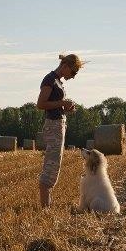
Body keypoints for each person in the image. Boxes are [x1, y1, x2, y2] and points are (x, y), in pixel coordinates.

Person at [37, 53, 86, 208]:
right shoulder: (49, 79)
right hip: (53, 126)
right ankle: (45, 207)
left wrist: (66, 107)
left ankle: (47, 205)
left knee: (55, 164)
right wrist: (62, 103)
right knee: (51, 164)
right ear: (65, 66)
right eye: (73, 73)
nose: (73, 77)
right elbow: (41, 104)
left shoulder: (57, 81)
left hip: (58, 124)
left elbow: (55, 104)